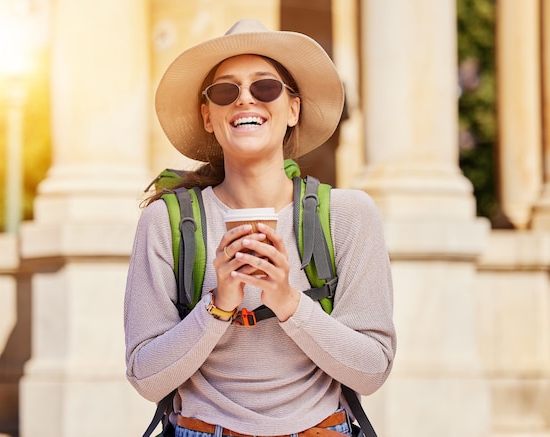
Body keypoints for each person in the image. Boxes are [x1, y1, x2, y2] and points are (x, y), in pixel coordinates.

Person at [124, 18, 396, 437]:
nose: (245, 100)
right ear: (208, 116)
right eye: (225, 91)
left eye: (265, 87)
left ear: (293, 108)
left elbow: (373, 370)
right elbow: (146, 376)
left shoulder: (348, 215)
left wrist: (287, 300)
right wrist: (219, 304)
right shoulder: (166, 222)